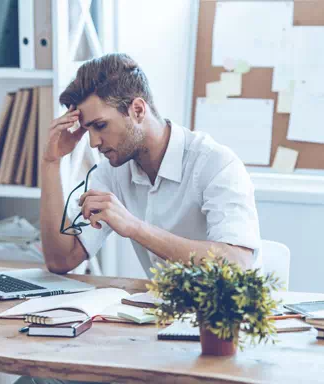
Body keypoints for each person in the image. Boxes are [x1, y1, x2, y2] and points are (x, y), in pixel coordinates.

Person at [14, 53, 261, 384]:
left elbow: (237, 264)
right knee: (37, 378)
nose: (94, 142)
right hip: (157, 335)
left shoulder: (215, 164)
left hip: (218, 340)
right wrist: (49, 161)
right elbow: (61, 260)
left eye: (100, 126)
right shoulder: (111, 173)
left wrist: (134, 227)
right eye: (87, 129)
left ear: (138, 110)